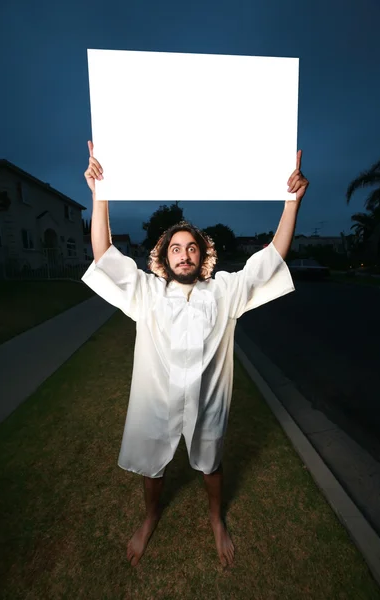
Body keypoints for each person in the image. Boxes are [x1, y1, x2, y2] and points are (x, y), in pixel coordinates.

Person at [82, 140, 309, 568]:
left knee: (211, 462)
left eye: (190, 248)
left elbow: (272, 258)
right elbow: (104, 256)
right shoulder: (146, 292)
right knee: (153, 465)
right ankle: (150, 517)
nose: (183, 254)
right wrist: (101, 194)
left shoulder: (224, 291)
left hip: (207, 400)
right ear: (162, 256)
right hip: (155, 402)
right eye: (174, 248)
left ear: (202, 255)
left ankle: (215, 519)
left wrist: (291, 201)